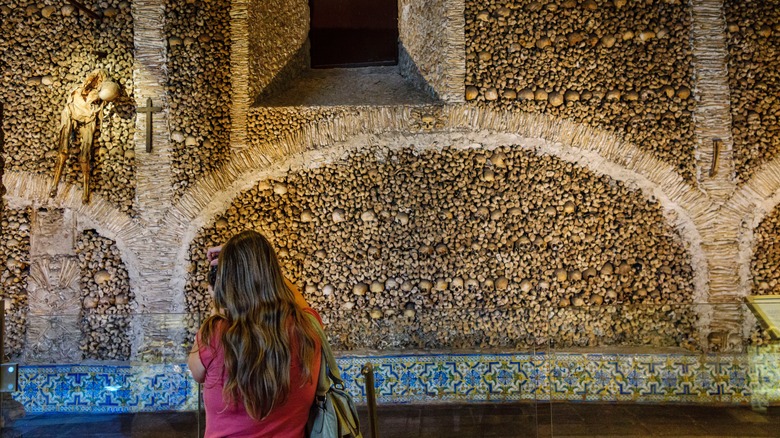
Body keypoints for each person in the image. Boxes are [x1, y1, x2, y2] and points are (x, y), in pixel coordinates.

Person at [188, 230, 322, 438]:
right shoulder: (308, 327)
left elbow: (197, 372)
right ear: (274, 275)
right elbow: (295, 298)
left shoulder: (214, 334)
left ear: (226, 284)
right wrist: (255, 263)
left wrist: (218, 306)